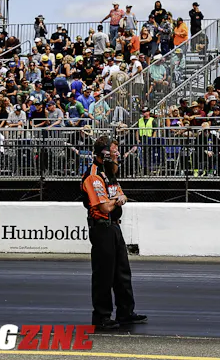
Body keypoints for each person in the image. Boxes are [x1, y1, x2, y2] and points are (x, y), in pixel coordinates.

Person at [81, 135, 146, 330]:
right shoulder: (94, 176)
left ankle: (125, 312)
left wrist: (118, 199)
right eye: (114, 152)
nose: (117, 155)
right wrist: (117, 200)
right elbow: (104, 207)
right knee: (104, 274)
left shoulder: (109, 174)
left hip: (114, 226)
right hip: (102, 227)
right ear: (104, 154)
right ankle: (102, 316)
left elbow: (122, 195)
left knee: (122, 272)